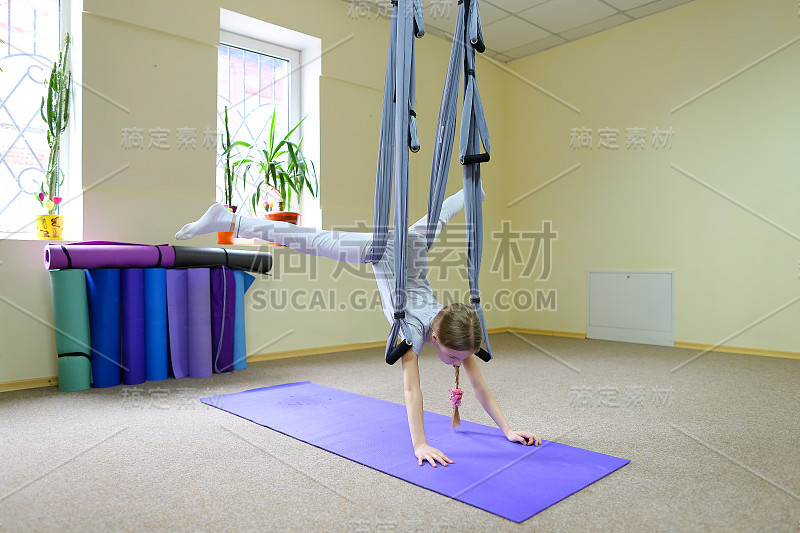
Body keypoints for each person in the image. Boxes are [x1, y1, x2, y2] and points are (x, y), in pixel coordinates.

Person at [175, 189, 541, 467]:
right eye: (455, 357)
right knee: (311, 240)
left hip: (412, 247)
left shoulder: (456, 329)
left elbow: (478, 385)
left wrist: (508, 430)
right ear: (434, 338)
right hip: (385, 251)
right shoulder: (413, 330)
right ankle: (227, 220)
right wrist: (420, 444)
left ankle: (470, 189)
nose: (459, 362)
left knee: (439, 216)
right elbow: (413, 391)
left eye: (462, 357)